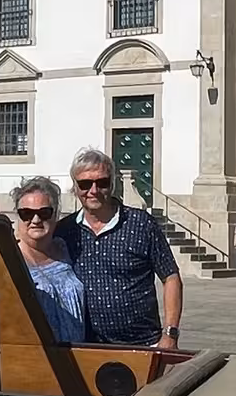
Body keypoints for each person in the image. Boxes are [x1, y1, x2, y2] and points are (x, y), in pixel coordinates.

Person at [55, 147, 183, 349]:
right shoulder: (65, 231)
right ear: (75, 187)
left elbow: (171, 276)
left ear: (112, 184)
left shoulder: (141, 224)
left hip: (144, 344)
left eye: (102, 183)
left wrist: (170, 334)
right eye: (85, 184)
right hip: (86, 346)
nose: (94, 190)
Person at [10, 176, 86, 344]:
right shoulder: (8, 258)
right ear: (18, 216)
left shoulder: (66, 248)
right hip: (35, 359)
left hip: (80, 355)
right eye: (27, 213)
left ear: (56, 214)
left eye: (44, 213)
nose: (36, 220)